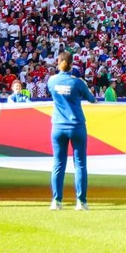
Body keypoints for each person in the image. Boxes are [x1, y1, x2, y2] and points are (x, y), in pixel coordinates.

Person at [49, 51, 96, 211]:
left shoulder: (52, 81)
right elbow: (91, 99)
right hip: (76, 126)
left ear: (58, 63)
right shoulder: (77, 82)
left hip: (58, 126)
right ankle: (81, 202)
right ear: (72, 64)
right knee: (80, 164)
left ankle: (57, 201)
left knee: (58, 164)